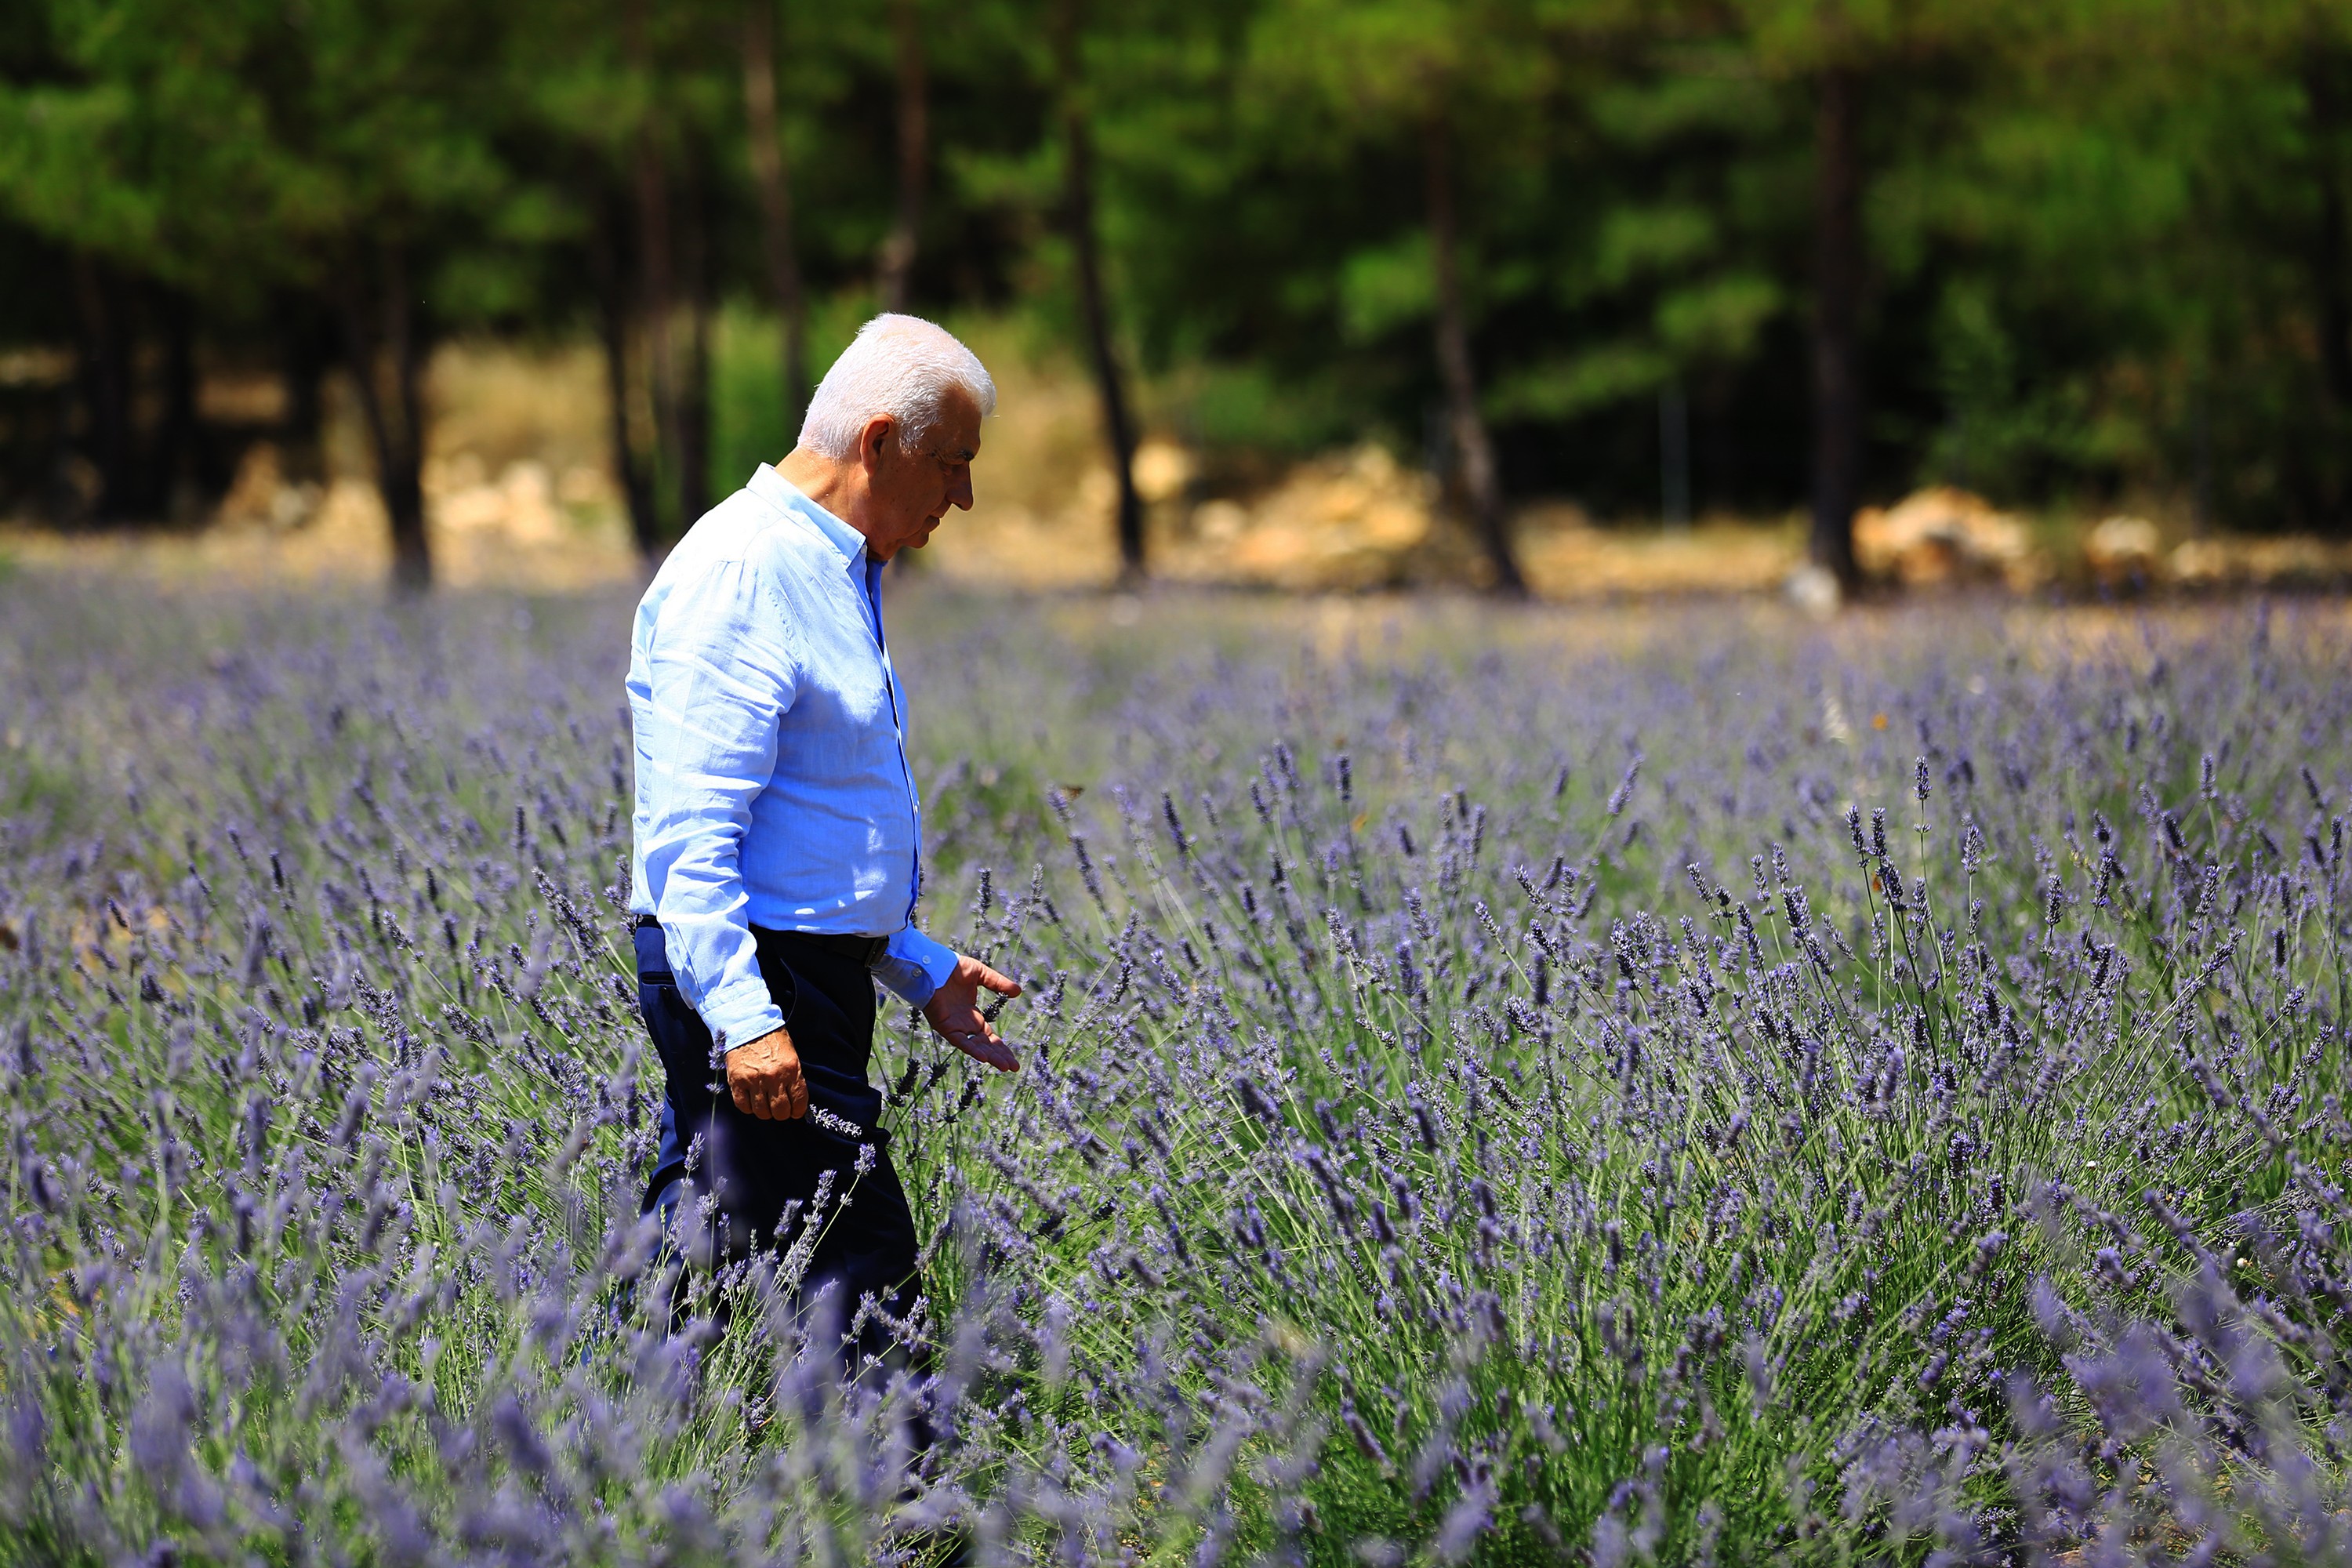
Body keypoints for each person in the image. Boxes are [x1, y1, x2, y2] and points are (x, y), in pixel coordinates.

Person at [626, 313, 1021, 1359]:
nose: (963, 497)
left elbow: (808, 830)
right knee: (865, 1281)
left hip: (794, 972)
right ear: (880, 442)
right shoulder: (746, 570)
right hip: (762, 981)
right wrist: (747, 1021)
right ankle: (909, 1478)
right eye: (953, 463)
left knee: (699, 1273)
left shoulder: (830, 568)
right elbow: (690, 837)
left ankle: (616, 1446)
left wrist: (913, 962)